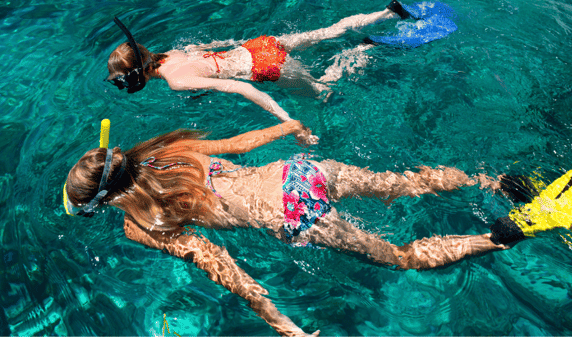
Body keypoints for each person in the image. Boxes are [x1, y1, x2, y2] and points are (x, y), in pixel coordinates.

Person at [63, 121, 527, 336]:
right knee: (400, 185)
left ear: (104, 202)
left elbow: (213, 260)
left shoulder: (139, 224)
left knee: (402, 258)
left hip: (295, 214)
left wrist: (278, 320)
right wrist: (289, 126)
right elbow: (241, 144)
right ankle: (489, 180)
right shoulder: (169, 151)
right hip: (299, 171)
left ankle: (497, 238)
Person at [106, 2, 415, 142]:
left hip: (264, 67)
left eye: (122, 81)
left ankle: (362, 50)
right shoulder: (171, 54)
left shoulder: (175, 81)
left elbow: (241, 89)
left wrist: (288, 121)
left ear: (136, 76)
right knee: (328, 32)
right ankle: (386, 12)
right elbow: (216, 46)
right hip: (258, 46)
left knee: (324, 91)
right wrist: (241, 45)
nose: (124, 85)